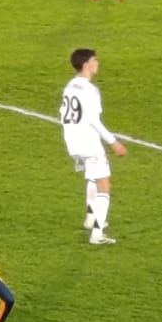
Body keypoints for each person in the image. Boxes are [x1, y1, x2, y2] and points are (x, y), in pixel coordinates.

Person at [60, 48, 128, 246]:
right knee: (104, 185)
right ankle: (97, 233)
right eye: (95, 60)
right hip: (89, 143)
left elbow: (62, 113)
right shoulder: (90, 90)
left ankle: (91, 217)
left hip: (72, 143)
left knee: (92, 175)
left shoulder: (70, 86)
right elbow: (93, 120)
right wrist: (113, 142)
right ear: (86, 64)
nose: (97, 63)